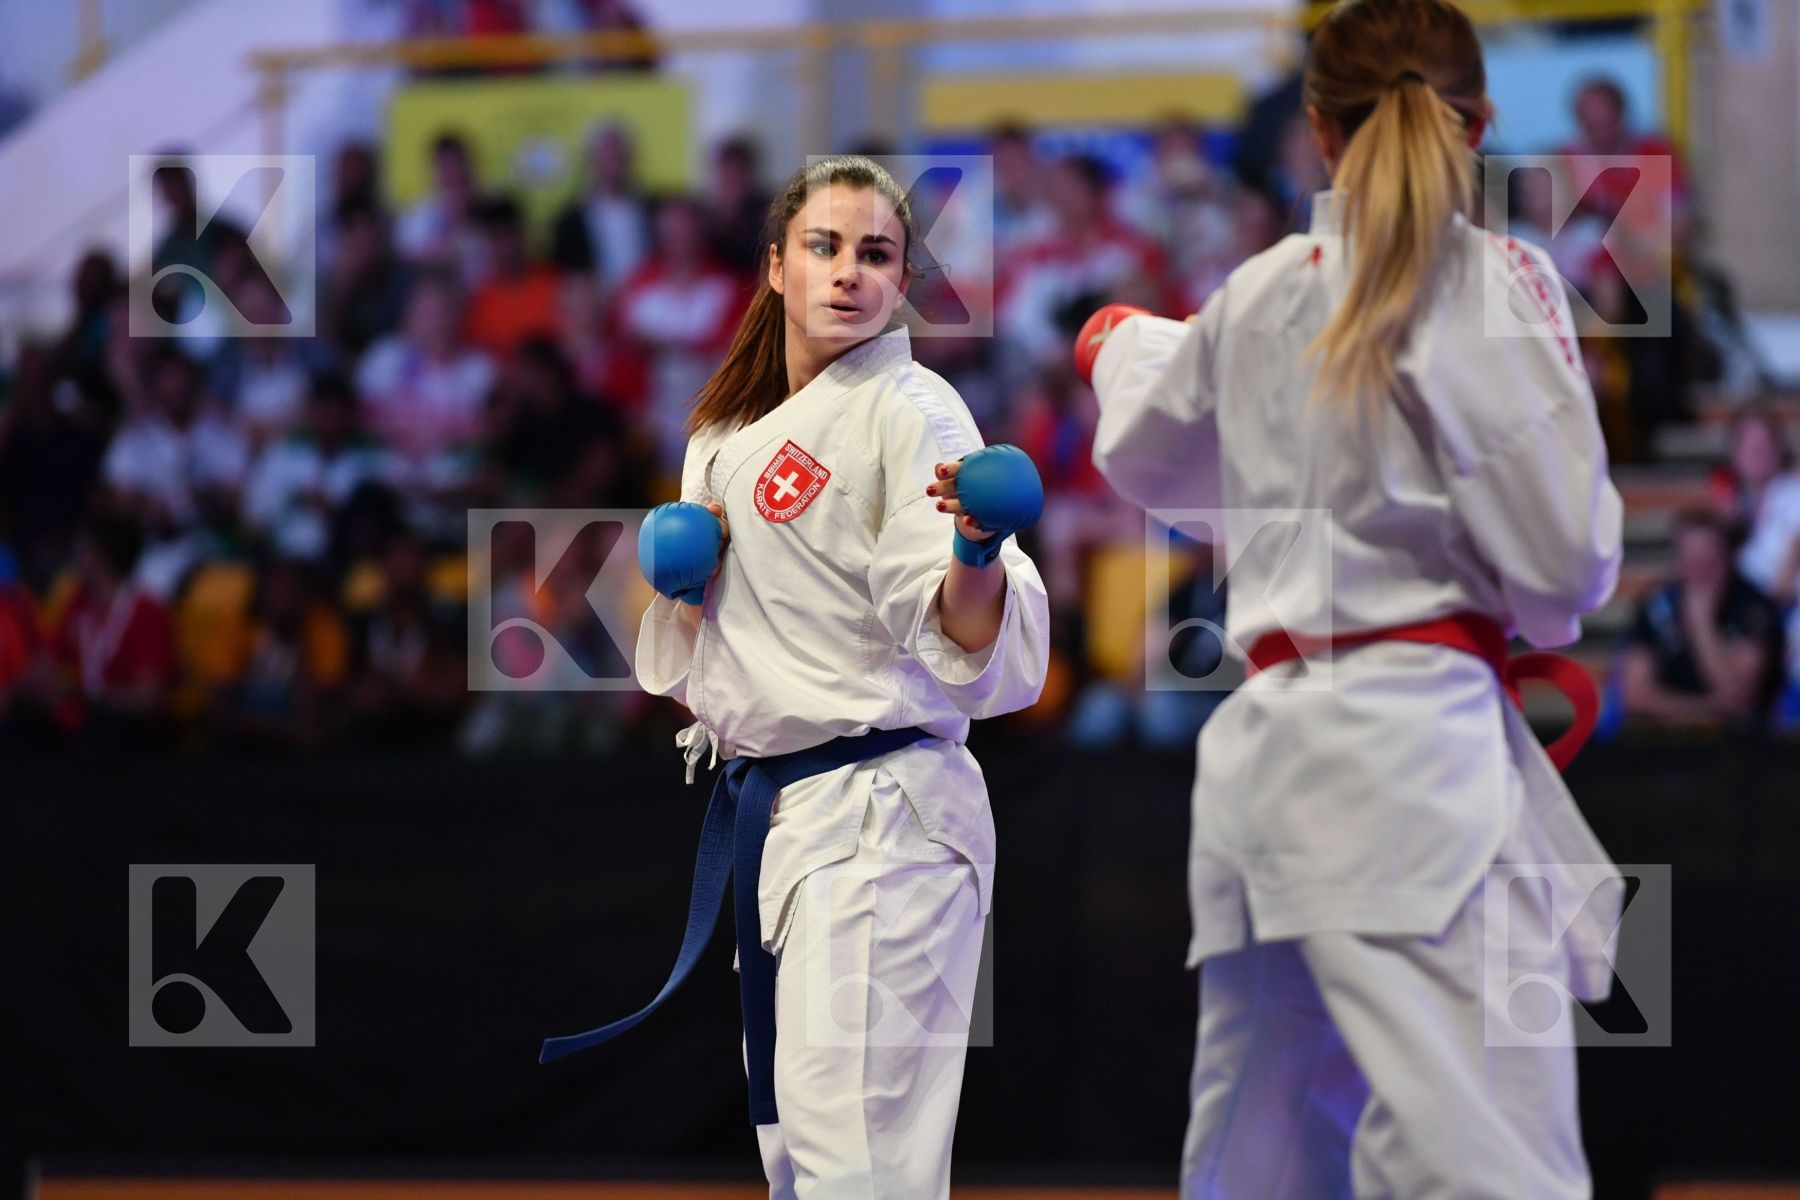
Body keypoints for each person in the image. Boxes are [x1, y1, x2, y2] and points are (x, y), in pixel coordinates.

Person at [1077, 1, 1625, 1195]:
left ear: (1316, 136)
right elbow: (1566, 566)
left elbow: (1161, 447)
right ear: (1477, 124)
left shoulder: (1260, 293)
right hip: (1410, 770)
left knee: (1259, 1161)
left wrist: (1115, 344)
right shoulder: (1491, 280)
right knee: (1493, 1166)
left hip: (1262, 782)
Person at [541, 155, 1050, 1199]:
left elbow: (956, 633)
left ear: (903, 280)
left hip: (884, 811)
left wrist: (978, 550)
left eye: (877, 255)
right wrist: (675, 586)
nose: (849, 272)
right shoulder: (721, 436)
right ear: (776, 265)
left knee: (855, 1165)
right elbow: (698, 669)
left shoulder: (914, 409)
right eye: (825, 247)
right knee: (801, 1157)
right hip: (779, 820)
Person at [1620, 508, 1784, 729]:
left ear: (1729, 557)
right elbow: (1636, 696)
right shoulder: (1657, 605)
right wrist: (1705, 708)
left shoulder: (1754, 607)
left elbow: (1738, 700)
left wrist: (1701, 624)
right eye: (1691, 561)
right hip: (1668, 739)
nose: (1699, 573)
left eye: (1709, 561)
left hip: (1742, 744)